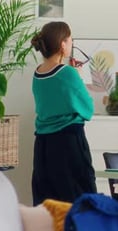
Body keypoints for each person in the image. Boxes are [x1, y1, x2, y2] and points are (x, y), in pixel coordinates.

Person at [30, 21, 96, 206]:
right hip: (69, 144)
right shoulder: (68, 73)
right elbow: (88, 109)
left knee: (48, 203)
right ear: (62, 45)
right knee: (79, 200)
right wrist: (78, 77)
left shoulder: (37, 73)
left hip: (43, 145)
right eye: (70, 39)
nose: (72, 42)